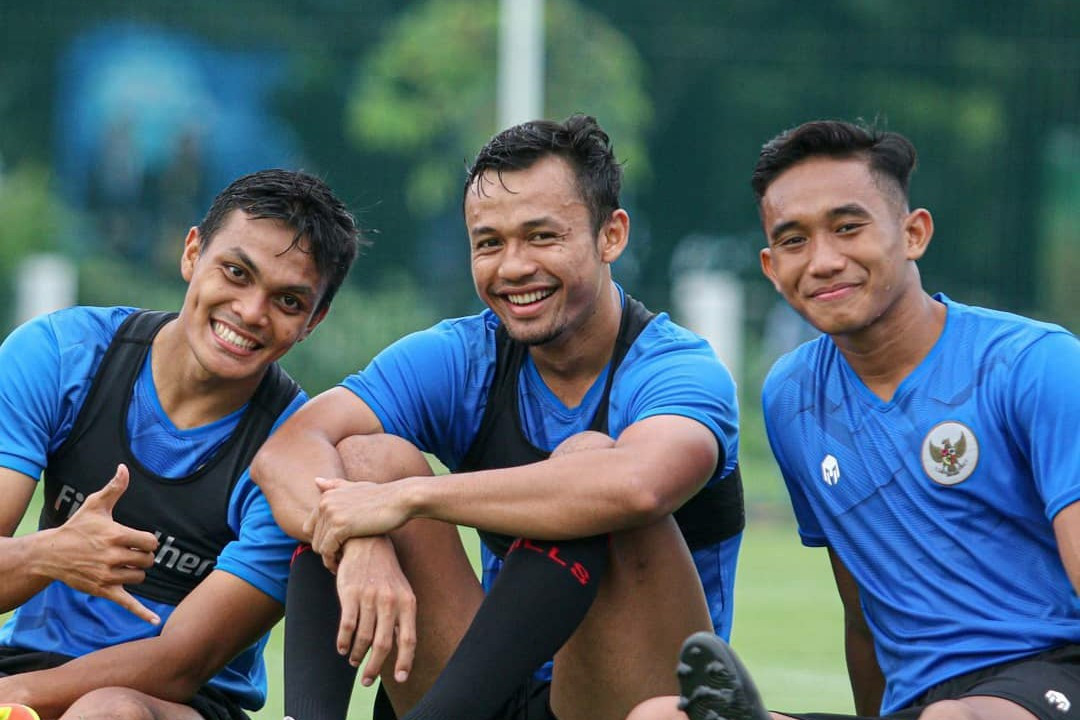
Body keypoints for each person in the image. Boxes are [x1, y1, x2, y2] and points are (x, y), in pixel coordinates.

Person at [251, 113, 745, 720]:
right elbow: (286, 451)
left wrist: (408, 499)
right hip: (492, 691)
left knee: (590, 461)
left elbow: (638, 485)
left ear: (611, 235)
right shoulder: (463, 355)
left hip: (633, 702)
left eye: (542, 236)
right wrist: (361, 543)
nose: (512, 267)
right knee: (362, 460)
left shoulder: (676, 367)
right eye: (489, 243)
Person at [631, 119, 1080, 720]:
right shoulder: (792, 397)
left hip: (1052, 672)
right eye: (793, 241)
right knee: (660, 717)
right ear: (770, 266)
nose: (822, 261)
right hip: (918, 707)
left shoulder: (1035, 364)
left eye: (848, 228)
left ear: (913, 233)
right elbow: (862, 611)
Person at [0, 168, 361, 720]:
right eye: (236, 273)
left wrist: (15, 698)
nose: (250, 311)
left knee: (107, 713)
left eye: (288, 301)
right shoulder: (60, 355)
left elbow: (181, 663)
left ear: (314, 321)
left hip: (178, 702)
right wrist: (49, 554)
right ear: (192, 253)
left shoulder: (292, 453)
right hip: (22, 665)